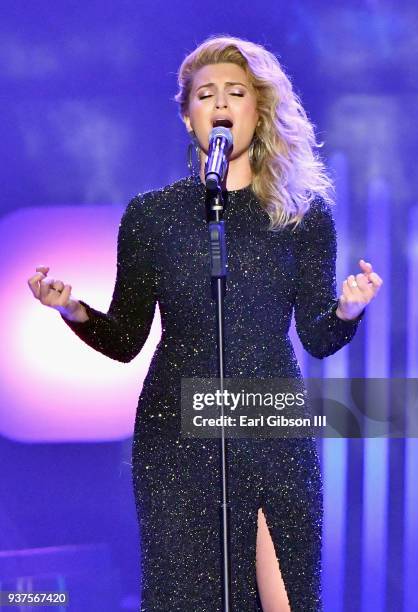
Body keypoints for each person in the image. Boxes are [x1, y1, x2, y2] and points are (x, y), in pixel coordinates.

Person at [27, 35, 383, 612]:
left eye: (235, 92)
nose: (220, 102)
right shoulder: (152, 216)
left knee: (286, 596)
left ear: (258, 109)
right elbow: (125, 339)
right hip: (178, 435)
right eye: (205, 93)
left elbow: (317, 337)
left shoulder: (300, 215)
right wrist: (73, 308)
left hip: (270, 424)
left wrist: (347, 310)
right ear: (189, 115)